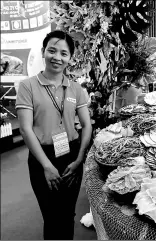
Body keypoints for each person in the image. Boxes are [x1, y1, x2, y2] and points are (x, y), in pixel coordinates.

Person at [15, 30, 92, 240]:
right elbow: (25, 129)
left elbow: (86, 125)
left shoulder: (76, 89)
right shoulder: (27, 86)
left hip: (71, 156)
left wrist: (79, 159)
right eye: (52, 51)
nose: (57, 57)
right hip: (43, 157)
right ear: (43, 52)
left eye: (64, 53)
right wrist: (46, 166)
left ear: (70, 58)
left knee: (68, 214)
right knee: (51, 216)